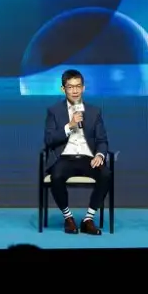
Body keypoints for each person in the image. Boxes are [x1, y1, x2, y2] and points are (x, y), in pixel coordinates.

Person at [43, 69, 111, 235]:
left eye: (78, 86)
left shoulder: (94, 111)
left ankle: (88, 219)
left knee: (106, 174)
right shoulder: (54, 111)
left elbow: (102, 140)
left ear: (83, 88)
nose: (74, 91)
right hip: (64, 158)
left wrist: (99, 155)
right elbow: (49, 139)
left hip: (88, 158)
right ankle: (68, 218)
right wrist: (70, 126)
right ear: (63, 89)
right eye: (70, 87)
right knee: (56, 176)